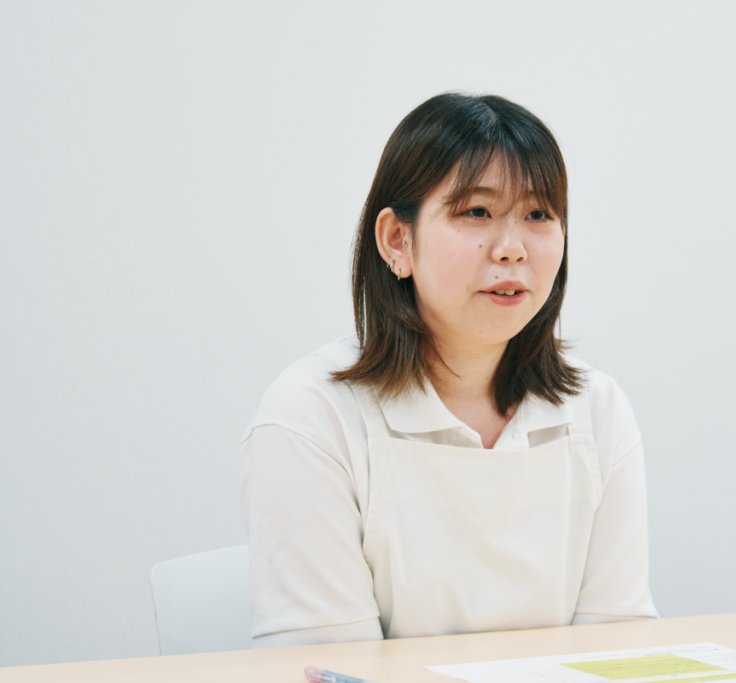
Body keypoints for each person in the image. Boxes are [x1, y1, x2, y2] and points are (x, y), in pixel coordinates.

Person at [240, 92, 658, 648]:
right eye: (477, 212)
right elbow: (331, 667)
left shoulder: (597, 409)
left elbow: (617, 650)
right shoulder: (311, 416)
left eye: (538, 214)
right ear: (398, 240)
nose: (512, 249)